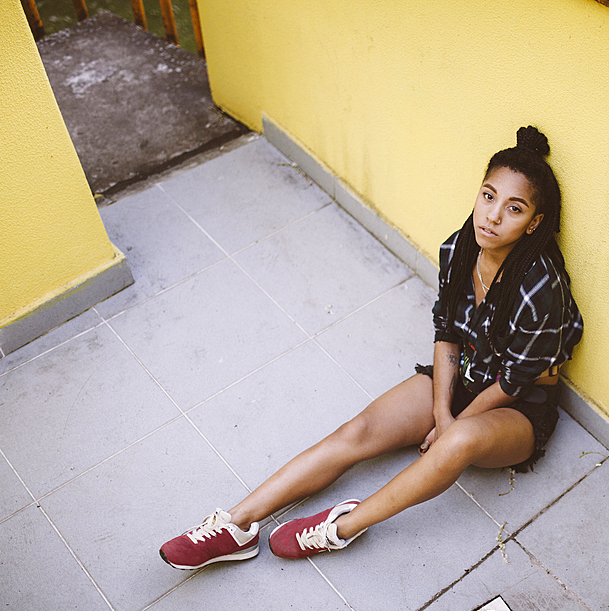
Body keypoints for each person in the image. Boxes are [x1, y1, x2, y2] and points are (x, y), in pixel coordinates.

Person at [159, 126, 584, 569]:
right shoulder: (460, 247)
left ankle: (342, 527)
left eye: (513, 209)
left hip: (517, 409)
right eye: (488, 196)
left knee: (456, 442)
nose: (492, 216)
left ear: (533, 222)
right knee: (358, 432)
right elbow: (447, 334)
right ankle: (238, 524)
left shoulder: (539, 286)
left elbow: (515, 382)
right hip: (466, 377)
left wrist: (449, 428)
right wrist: (441, 411)